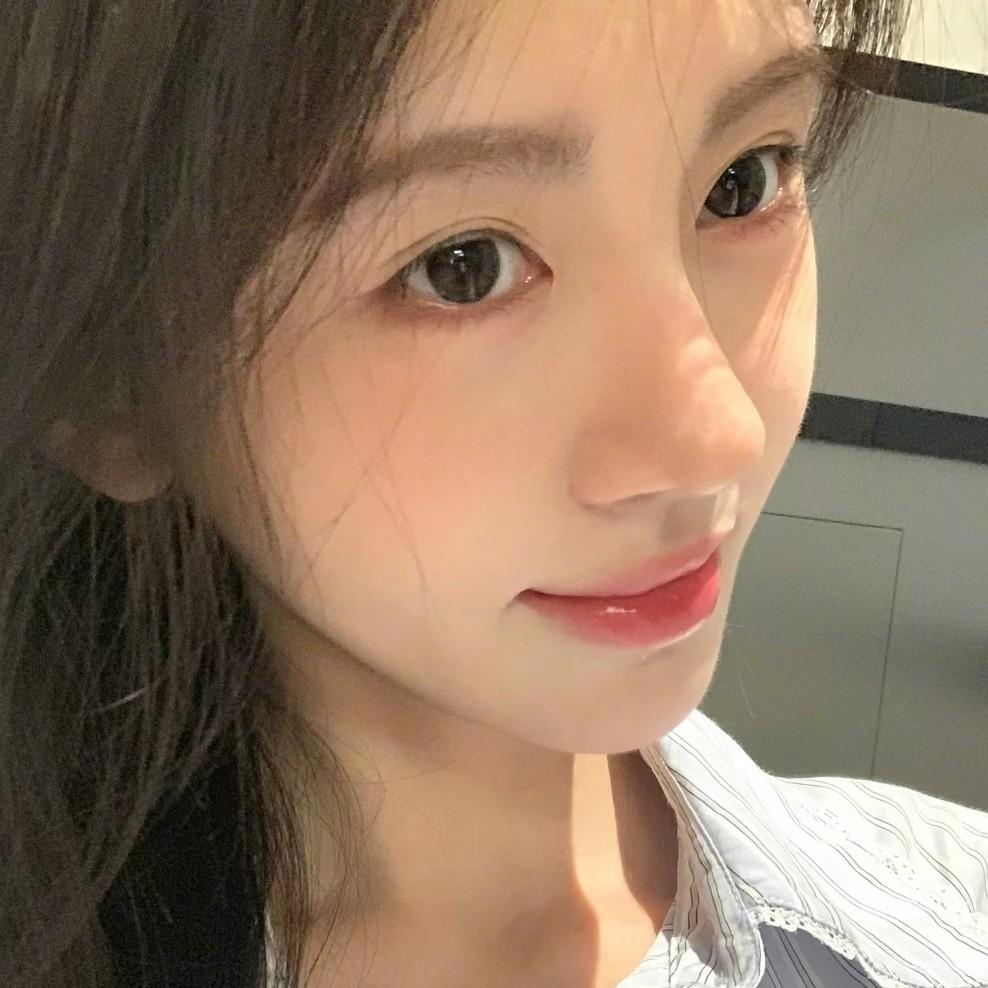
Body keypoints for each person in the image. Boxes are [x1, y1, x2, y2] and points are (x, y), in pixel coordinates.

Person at [1, 1, 985, 986]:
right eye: (460, 267)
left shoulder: (949, 911)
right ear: (115, 394)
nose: (717, 439)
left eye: (744, 181)